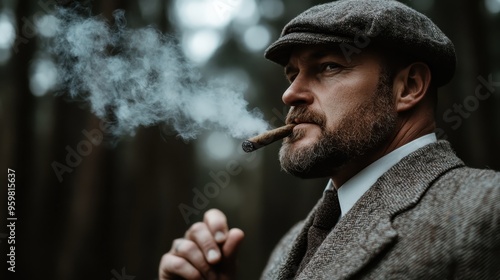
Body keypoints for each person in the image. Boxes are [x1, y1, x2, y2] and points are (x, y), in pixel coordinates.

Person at [158, 0, 500, 279]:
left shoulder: (486, 208)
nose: (290, 94)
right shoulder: (290, 245)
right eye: (292, 75)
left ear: (408, 87)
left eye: (329, 67)